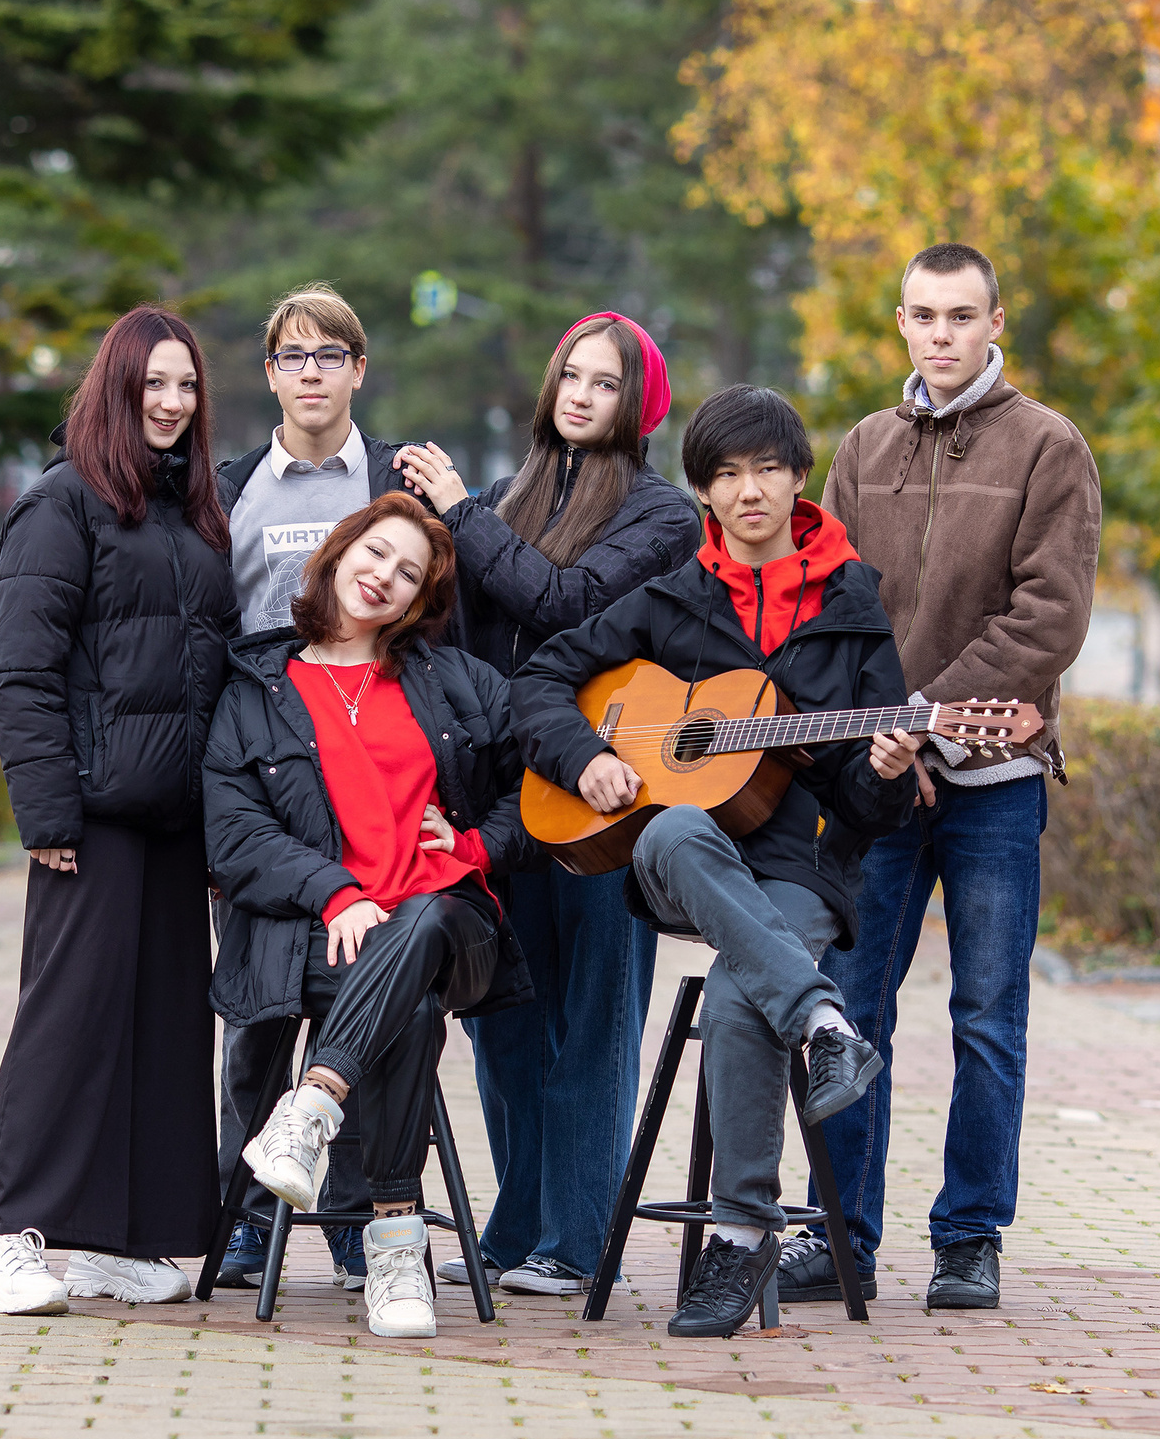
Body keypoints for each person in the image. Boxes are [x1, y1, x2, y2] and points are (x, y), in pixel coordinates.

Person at [513, 385, 917, 1338]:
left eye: (767, 469)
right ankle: (824, 1017)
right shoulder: (669, 602)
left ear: (799, 477)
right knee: (671, 828)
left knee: (742, 996)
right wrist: (592, 757)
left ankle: (738, 1238)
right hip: (679, 857)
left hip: (800, 871)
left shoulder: (855, 610)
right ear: (701, 490)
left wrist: (891, 769)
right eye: (727, 474)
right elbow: (538, 681)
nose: (749, 491)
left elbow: (869, 807)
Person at [779, 243, 1102, 1316]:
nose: (942, 334)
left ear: (995, 319)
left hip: (994, 779)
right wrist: (876, 743)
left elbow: (1047, 616)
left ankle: (969, 1239)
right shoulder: (862, 448)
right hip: (873, 786)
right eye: (923, 315)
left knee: (986, 1018)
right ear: (901, 323)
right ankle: (840, 1238)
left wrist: (923, 720)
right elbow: (829, 607)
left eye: (961, 316)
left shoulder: (1048, 446)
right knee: (848, 1014)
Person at [393, 312, 699, 1298]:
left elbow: (566, 604)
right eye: (570, 373)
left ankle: (578, 1240)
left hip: (603, 805)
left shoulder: (661, 517)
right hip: (496, 802)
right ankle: (516, 1223)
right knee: (501, 1022)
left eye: (603, 383)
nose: (578, 394)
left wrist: (461, 517)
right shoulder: (490, 502)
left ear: (635, 405)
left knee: (592, 1020)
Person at [0, 305, 239, 1316]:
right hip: (93, 815)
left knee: (165, 1029)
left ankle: (128, 1240)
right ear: (114, 388)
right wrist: (47, 814)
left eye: (186, 386)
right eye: (152, 384)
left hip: (178, 816)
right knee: (67, 1025)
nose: (171, 403)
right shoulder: (60, 505)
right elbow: (21, 672)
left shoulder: (195, 515)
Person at [207, 492, 540, 1339]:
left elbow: (536, 783)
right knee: (411, 1000)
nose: (384, 578)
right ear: (339, 550)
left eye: (409, 574)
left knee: (423, 925)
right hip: (318, 938)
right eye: (376, 554)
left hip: (449, 919)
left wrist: (472, 845)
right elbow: (236, 832)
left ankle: (312, 1110)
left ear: (421, 600)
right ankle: (395, 1238)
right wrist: (335, 889)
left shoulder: (456, 685)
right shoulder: (257, 684)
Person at [211, 284, 412, 1295]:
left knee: (362, 991)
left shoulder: (397, 480)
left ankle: (346, 1216)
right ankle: (244, 1218)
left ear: (358, 370)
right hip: (262, 757)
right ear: (272, 374)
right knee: (256, 1006)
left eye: (331, 354)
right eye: (294, 356)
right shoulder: (233, 487)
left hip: (371, 759)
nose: (313, 372)